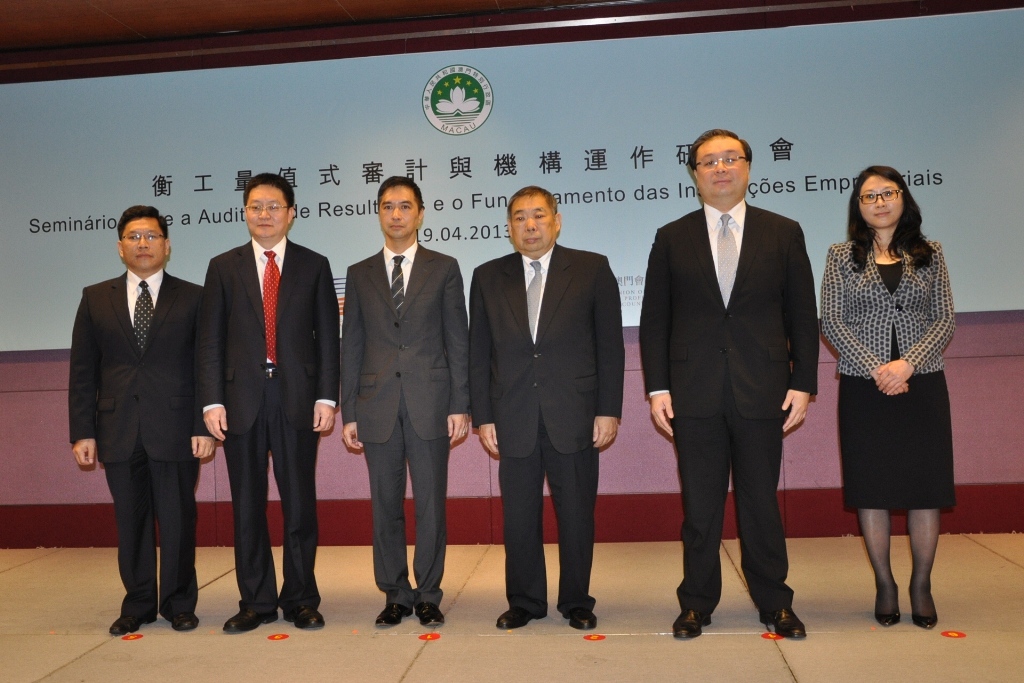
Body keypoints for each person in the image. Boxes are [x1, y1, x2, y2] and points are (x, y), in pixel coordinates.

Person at [639, 129, 819, 639]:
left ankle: (775, 602)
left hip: (764, 389)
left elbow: (802, 315)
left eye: (730, 158)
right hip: (692, 392)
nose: (720, 168)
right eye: (708, 161)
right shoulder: (671, 236)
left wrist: (803, 382)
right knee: (700, 507)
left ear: (748, 167)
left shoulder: (783, 232)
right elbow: (655, 320)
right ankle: (696, 603)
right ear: (694, 174)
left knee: (761, 502)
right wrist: (658, 388)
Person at [469, 185, 624, 631]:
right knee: (518, 517)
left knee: (575, 514)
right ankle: (525, 600)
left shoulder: (592, 269)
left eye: (539, 215)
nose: (530, 225)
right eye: (520, 217)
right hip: (512, 414)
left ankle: (576, 601)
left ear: (557, 220)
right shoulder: (487, 276)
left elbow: (610, 347)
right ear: (508, 226)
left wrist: (608, 410)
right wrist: (483, 416)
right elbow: (479, 353)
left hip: (574, 414)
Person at [198, 173, 340, 633]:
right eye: (256, 206)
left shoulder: (314, 265)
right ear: (245, 213)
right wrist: (211, 402)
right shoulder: (223, 267)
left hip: (298, 398)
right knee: (247, 505)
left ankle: (300, 598)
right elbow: (210, 341)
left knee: (299, 503)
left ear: (291, 213)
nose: (264, 214)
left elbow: (328, 338)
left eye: (274, 206)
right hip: (240, 401)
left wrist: (327, 396)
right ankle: (256, 601)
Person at [821, 165, 955, 629]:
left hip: (922, 383)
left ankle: (921, 584)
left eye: (887, 193)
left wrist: (908, 363)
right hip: (865, 386)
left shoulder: (931, 252)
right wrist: (878, 368)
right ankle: (884, 583)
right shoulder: (841, 256)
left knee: (925, 488)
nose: (879, 202)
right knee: (872, 487)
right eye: (869, 196)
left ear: (903, 199)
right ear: (858, 206)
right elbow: (832, 320)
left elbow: (945, 319)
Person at [69, 205, 214, 635]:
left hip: (176, 428)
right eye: (134, 236)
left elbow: (205, 366)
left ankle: (178, 603)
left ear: (167, 246)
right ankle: (138, 603)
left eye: (151, 236)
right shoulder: (95, 297)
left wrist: (202, 425)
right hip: (118, 429)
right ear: (120, 247)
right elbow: (83, 371)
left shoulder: (194, 297)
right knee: (130, 522)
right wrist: (82, 431)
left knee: (178, 519)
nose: (143, 243)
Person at [340, 176, 470, 628]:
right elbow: (352, 344)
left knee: (431, 503)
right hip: (376, 404)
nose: (396, 214)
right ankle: (395, 593)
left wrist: (460, 403)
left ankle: (429, 593)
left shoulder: (445, 268)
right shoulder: (359, 273)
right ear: (378, 213)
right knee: (385, 504)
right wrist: (350, 411)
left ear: (420, 214)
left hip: (430, 402)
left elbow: (458, 339)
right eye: (388, 206)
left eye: (405, 206)